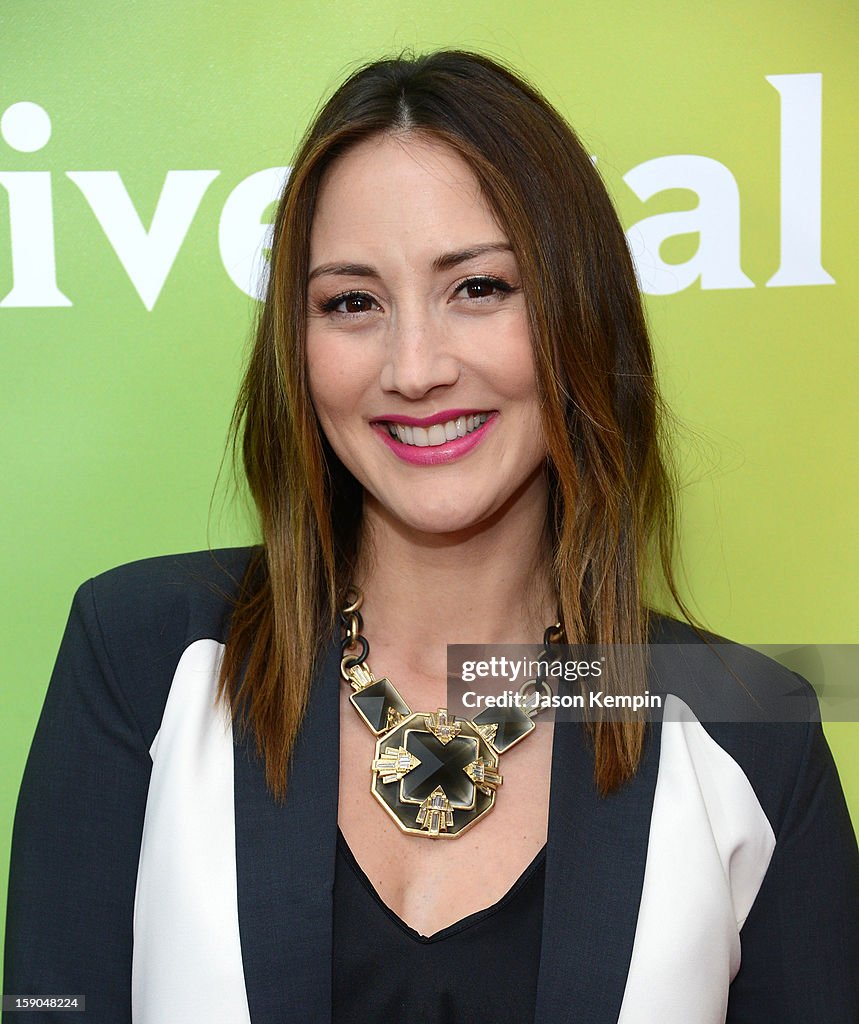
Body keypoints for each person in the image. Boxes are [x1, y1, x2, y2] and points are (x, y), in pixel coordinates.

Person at [4, 49, 858, 1024]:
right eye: (351, 302)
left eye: (478, 288)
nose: (414, 368)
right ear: (298, 346)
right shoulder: (142, 653)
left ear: (581, 315)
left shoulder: (750, 728)